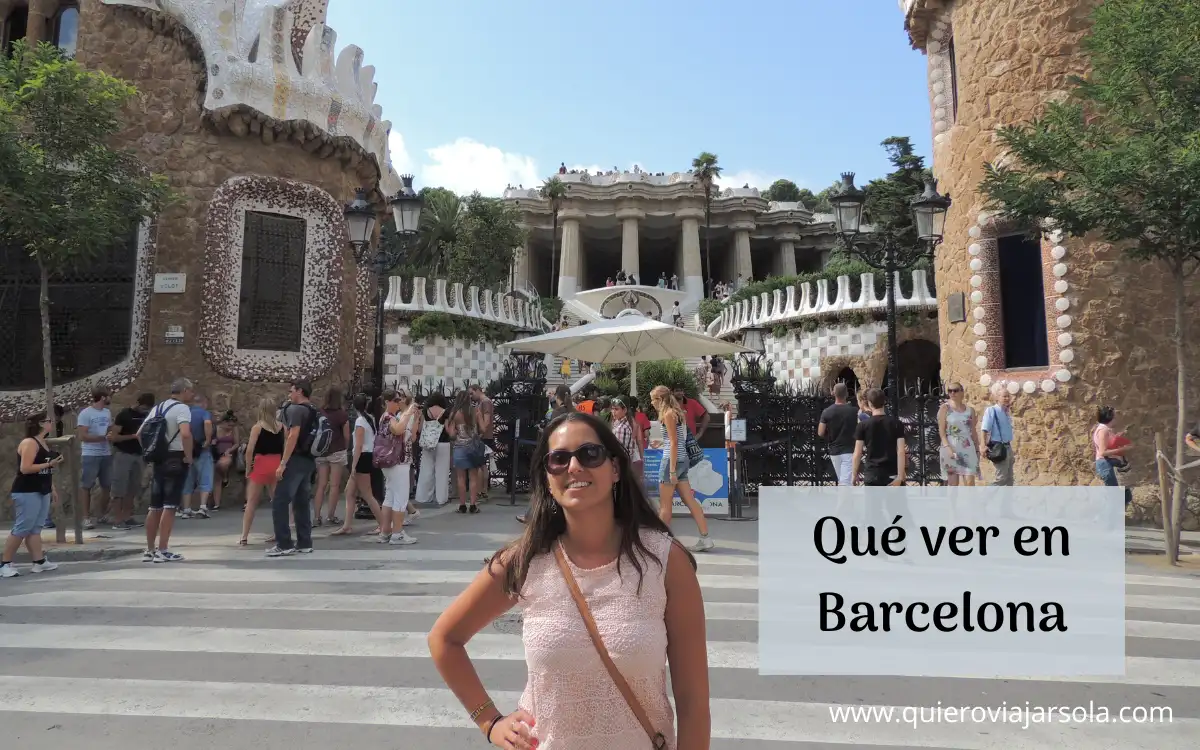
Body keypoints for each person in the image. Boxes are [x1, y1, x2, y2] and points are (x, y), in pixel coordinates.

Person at [428, 412, 710, 749]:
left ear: (615, 468)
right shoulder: (526, 560)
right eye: (559, 459)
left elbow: (693, 702)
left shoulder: (664, 561)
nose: (574, 467)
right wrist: (490, 721)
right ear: (548, 478)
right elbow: (444, 639)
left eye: (590, 454)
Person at [651, 385, 713, 552]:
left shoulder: (667, 414)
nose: (651, 403)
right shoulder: (678, 413)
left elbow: (674, 442)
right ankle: (705, 537)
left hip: (672, 462)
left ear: (660, 400)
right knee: (689, 500)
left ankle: (659, 542)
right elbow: (677, 439)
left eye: (653, 399)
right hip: (682, 460)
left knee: (664, 506)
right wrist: (662, 443)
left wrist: (671, 470)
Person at [139, 378, 195, 563]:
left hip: (158, 459)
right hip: (175, 457)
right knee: (170, 506)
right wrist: (188, 455)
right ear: (184, 391)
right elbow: (185, 433)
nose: (192, 395)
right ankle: (163, 549)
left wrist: (150, 451)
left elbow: (140, 433)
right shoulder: (182, 409)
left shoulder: (158, 407)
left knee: (154, 506)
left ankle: (149, 550)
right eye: (191, 391)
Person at [2, 413, 63, 577]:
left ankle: (39, 561)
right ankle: (5, 564)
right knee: (22, 527)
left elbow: (45, 470)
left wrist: (52, 488)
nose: (53, 423)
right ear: (41, 423)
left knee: (35, 528)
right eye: (50, 421)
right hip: (27, 490)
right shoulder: (29, 443)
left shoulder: (44, 443)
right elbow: (25, 468)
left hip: (42, 489)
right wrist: (50, 463)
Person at [266, 379, 318, 557]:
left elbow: (292, 435)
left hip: (295, 460)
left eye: (291, 391)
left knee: (280, 501)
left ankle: (284, 543)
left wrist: (283, 463)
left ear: (300, 391)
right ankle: (304, 542)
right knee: (301, 502)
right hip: (309, 460)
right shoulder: (313, 410)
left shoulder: (295, 410)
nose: (289, 394)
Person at [377, 389, 420, 545]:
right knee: (400, 498)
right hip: (397, 461)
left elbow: (411, 436)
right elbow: (398, 429)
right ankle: (397, 534)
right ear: (388, 402)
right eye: (396, 400)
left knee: (390, 496)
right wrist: (408, 413)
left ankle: (385, 532)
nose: (398, 403)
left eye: (400, 400)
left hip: (394, 461)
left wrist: (414, 418)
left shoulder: (393, 417)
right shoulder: (389, 417)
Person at [239, 398, 283, 546]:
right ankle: (279, 532)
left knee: (251, 501)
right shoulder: (282, 427)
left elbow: (250, 449)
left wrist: (248, 467)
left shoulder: (258, 427)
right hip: (276, 463)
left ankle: (244, 536)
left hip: (261, 464)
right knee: (277, 501)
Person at [109, 392, 155, 529]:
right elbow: (114, 437)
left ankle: (127, 517)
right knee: (119, 489)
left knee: (133, 488)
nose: (145, 411)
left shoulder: (146, 417)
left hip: (139, 455)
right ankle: (117, 520)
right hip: (123, 454)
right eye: (144, 407)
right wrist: (133, 436)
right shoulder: (124, 415)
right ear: (138, 403)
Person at [851, 388, 907, 487]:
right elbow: (901, 451)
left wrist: (854, 474)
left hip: (872, 472)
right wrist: (900, 475)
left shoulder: (863, 425)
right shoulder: (896, 424)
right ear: (884, 402)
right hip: (892, 472)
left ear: (869, 403)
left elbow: (857, 452)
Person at [314, 386, 349, 527]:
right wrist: (345, 447)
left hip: (321, 451)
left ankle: (316, 517)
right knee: (334, 485)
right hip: (337, 451)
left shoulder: (319, 412)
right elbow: (346, 435)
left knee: (321, 485)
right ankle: (331, 515)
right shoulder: (342, 414)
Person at [446, 391, 486, 515]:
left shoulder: (454, 414)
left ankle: (462, 505)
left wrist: (448, 427)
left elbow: (452, 435)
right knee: (473, 478)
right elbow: (483, 429)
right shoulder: (475, 412)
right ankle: (473, 505)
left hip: (459, 448)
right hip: (473, 448)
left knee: (460, 478)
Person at [938, 382, 981, 486]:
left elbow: (973, 431)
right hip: (950, 446)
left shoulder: (970, 411)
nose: (952, 393)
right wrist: (947, 448)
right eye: (950, 391)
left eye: (955, 390)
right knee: (953, 485)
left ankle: (970, 503)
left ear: (962, 392)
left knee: (970, 482)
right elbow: (942, 431)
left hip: (967, 447)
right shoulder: (945, 408)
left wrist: (977, 449)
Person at [818, 383, 859, 486]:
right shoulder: (854, 411)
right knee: (845, 483)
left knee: (844, 481)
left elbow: (820, 432)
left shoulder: (827, 412)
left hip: (834, 451)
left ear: (833, 393)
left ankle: (847, 502)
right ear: (847, 393)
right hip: (849, 450)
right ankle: (842, 502)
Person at [1093, 406, 1132, 506]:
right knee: (1116, 497)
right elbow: (1103, 452)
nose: (1116, 418)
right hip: (1106, 465)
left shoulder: (1104, 429)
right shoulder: (1104, 431)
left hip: (1108, 464)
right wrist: (1123, 449)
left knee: (1125, 495)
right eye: (1115, 416)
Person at [980, 383, 1016, 485]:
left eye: (1008, 396)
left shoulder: (1006, 411)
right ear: (997, 397)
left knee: (1009, 479)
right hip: (999, 447)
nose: (1007, 398)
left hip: (1008, 447)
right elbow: (984, 429)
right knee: (1001, 478)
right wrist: (983, 446)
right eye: (1004, 396)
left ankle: (1007, 501)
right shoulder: (992, 410)